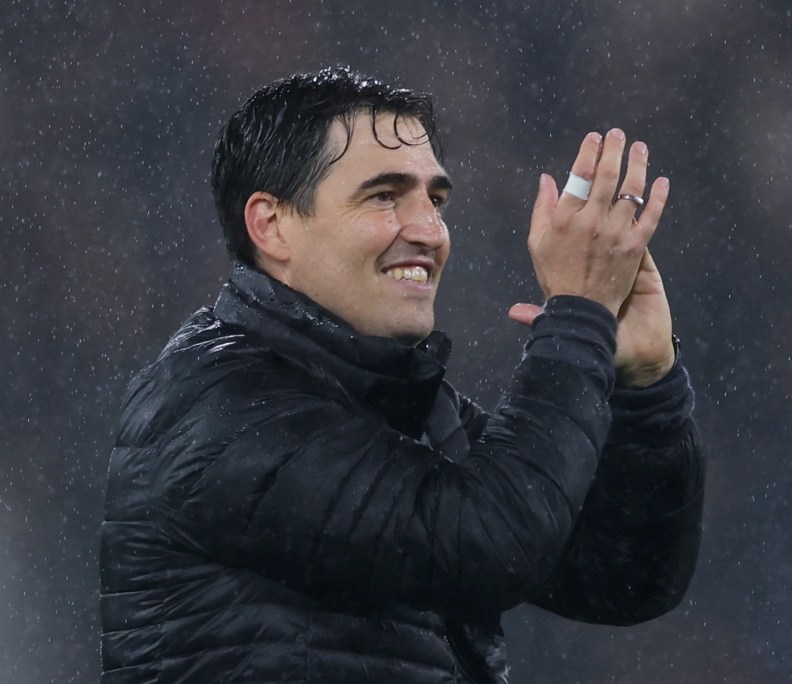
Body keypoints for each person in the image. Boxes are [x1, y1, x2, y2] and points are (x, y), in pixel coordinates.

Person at [99, 67, 705, 683]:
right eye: (385, 196)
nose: (429, 232)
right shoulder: (217, 406)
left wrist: (647, 387)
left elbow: (625, 577)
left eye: (435, 200)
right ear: (272, 225)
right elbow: (490, 546)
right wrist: (577, 322)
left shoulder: (396, 403)